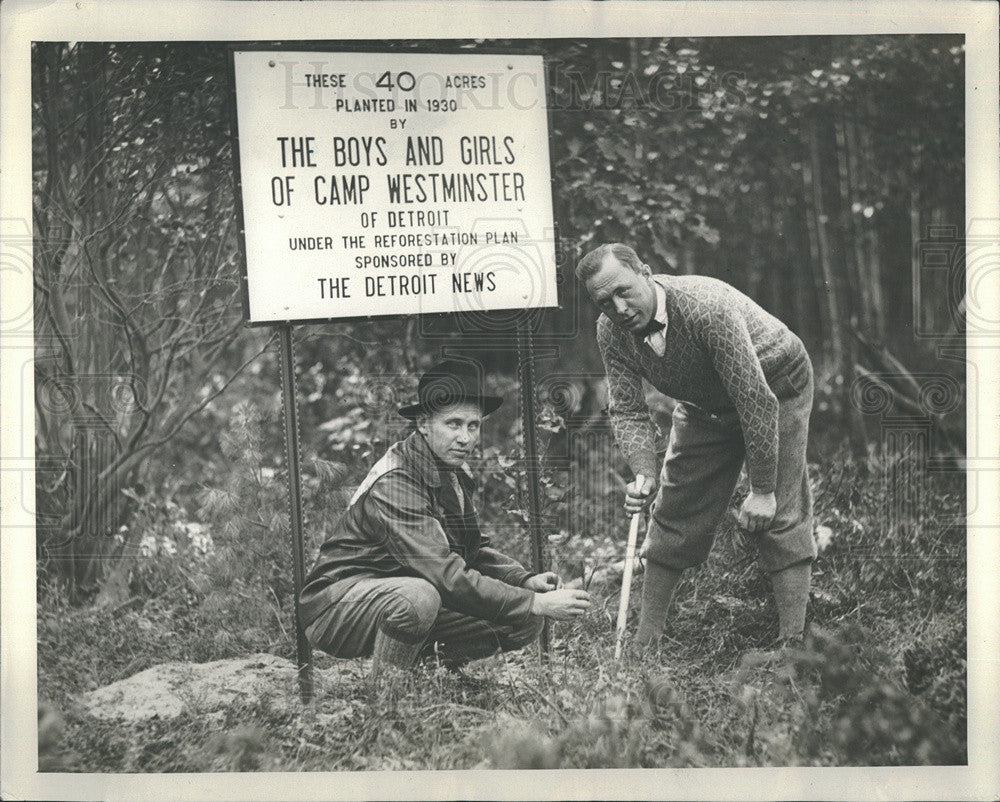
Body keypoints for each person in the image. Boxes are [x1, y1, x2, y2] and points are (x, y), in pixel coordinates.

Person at [576, 243, 816, 648]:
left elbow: (755, 399)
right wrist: (643, 474)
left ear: (647, 273)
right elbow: (628, 409)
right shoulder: (610, 331)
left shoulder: (706, 307)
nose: (619, 308)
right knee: (672, 509)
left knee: (778, 514)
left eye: (624, 291)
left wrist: (761, 490)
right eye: (605, 301)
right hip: (706, 403)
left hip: (777, 382)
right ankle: (644, 644)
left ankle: (793, 648)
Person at [299, 359, 591, 678]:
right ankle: (386, 697)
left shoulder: (450, 471)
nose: (465, 438)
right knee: (420, 598)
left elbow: (472, 551)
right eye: (453, 424)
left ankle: (429, 678)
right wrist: (534, 601)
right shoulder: (396, 481)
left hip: (395, 594)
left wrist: (523, 581)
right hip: (337, 605)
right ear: (424, 424)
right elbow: (445, 576)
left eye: (473, 425)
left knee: (521, 619)